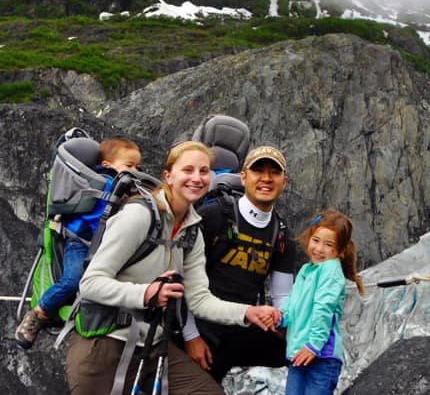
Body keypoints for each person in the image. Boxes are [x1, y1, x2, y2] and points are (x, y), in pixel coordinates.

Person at [64, 141, 281, 395]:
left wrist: (248, 313)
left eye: (203, 171)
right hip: (103, 346)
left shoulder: (192, 232)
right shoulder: (139, 215)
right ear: (168, 176)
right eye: (187, 170)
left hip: (154, 347)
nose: (197, 178)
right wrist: (146, 294)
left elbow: (199, 300)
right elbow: (90, 284)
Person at [14, 137, 142, 350]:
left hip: (103, 247)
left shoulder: (125, 187)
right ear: (107, 165)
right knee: (72, 282)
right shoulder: (103, 182)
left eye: (137, 167)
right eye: (129, 166)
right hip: (80, 244)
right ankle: (38, 313)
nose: (135, 171)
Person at [183, 145, 297, 382]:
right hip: (199, 327)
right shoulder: (214, 216)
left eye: (274, 173)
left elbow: (282, 296)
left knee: (298, 353)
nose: (266, 178)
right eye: (258, 171)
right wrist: (191, 337)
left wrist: (284, 322)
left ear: (284, 182)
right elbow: (179, 279)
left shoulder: (282, 235)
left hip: (240, 328)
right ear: (244, 177)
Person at [279, 209, 365, 395]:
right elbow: (293, 300)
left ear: (341, 251)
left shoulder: (330, 271)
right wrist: (281, 316)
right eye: (316, 240)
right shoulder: (305, 270)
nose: (319, 249)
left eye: (328, 245)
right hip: (300, 352)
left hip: (321, 356)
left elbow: (323, 309)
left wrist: (314, 345)